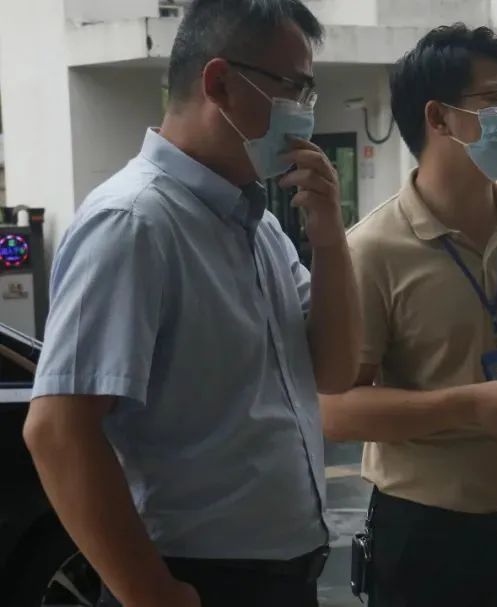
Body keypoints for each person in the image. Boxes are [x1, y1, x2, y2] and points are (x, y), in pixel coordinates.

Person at [22, 1, 363, 606]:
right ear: (220, 83)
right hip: (196, 577)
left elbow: (333, 374)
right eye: (294, 88)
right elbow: (57, 431)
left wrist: (331, 241)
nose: (305, 111)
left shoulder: (258, 226)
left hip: (286, 577)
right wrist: (152, 593)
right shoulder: (134, 222)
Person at [319, 24, 497, 607]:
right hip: (428, 533)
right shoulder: (370, 250)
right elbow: (336, 410)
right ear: (438, 118)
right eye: (495, 100)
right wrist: (468, 406)